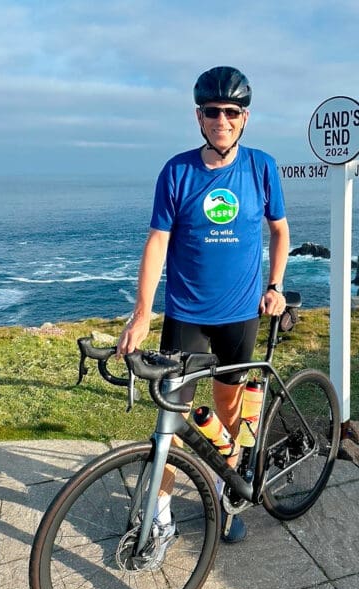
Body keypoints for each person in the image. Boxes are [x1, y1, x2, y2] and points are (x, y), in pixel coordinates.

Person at [117, 65, 291, 545]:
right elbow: (157, 242)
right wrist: (141, 314)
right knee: (171, 423)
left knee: (229, 414)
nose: (222, 119)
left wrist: (275, 285)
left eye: (231, 112)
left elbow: (279, 230)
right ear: (199, 115)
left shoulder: (261, 166)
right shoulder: (177, 170)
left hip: (240, 316)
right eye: (212, 111)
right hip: (186, 316)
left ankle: (223, 496)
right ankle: (161, 515)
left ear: (244, 118)